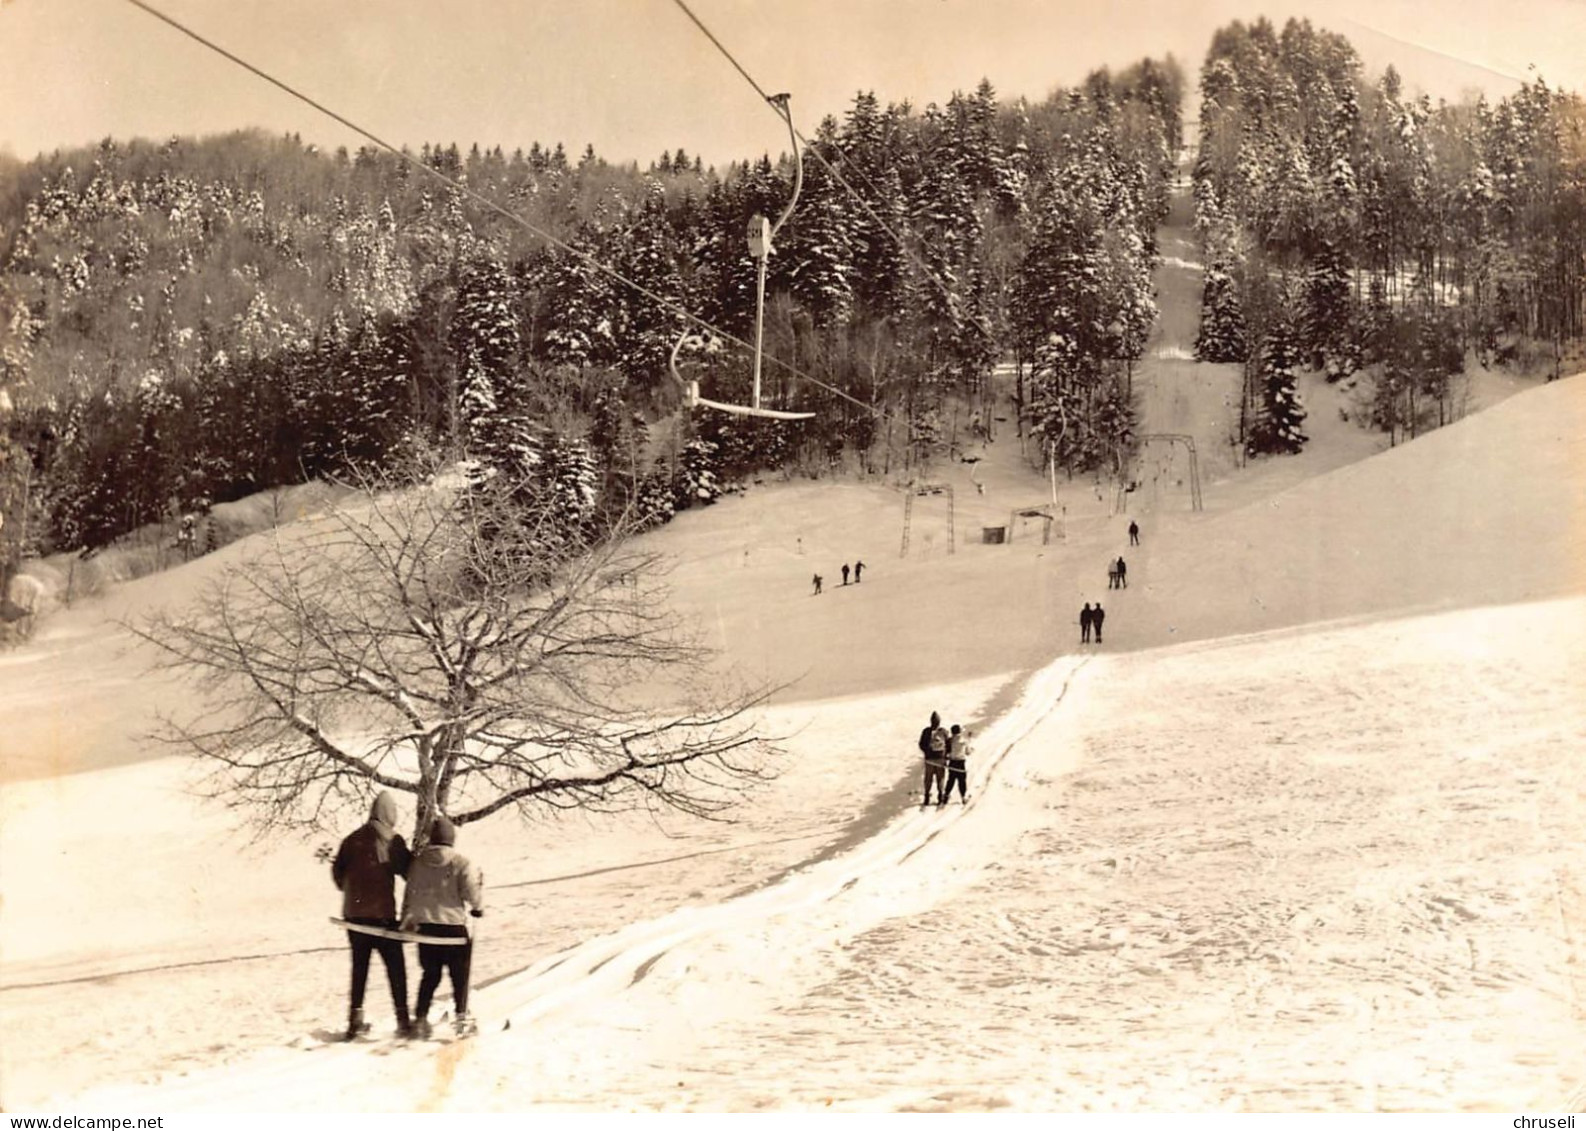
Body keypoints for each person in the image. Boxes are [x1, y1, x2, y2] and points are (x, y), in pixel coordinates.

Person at [331, 791, 413, 1040]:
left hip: (354, 917)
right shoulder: (393, 841)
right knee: (395, 968)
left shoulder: (350, 840)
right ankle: (403, 1020)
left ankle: (354, 1021)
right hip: (383, 916)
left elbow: (338, 876)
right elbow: (409, 873)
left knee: (360, 968)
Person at [402, 816, 486, 1039]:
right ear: (451, 839)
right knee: (460, 977)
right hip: (453, 930)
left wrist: (409, 919)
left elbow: (410, 892)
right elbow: (471, 892)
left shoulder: (417, 863)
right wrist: (478, 907)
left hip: (427, 930)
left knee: (430, 975)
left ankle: (420, 1019)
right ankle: (462, 1019)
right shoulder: (461, 863)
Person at [917, 711, 949, 807]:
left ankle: (927, 796)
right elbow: (949, 743)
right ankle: (940, 796)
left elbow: (921, 744)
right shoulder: (943, 731)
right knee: (940, 778)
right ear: (939, 721)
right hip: (940, 759)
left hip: (929, 760)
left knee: (928, 779)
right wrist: (946, 754)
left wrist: (927, 752)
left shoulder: (926, 731)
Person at [944, 724, 972, 804]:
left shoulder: (950, 740)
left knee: (951, 780)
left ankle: (946, 795)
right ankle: (963, 797)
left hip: (952, 762)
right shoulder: (964, 740)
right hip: (961, 762)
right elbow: (968, 752)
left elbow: (947, 751)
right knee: (962, 781)